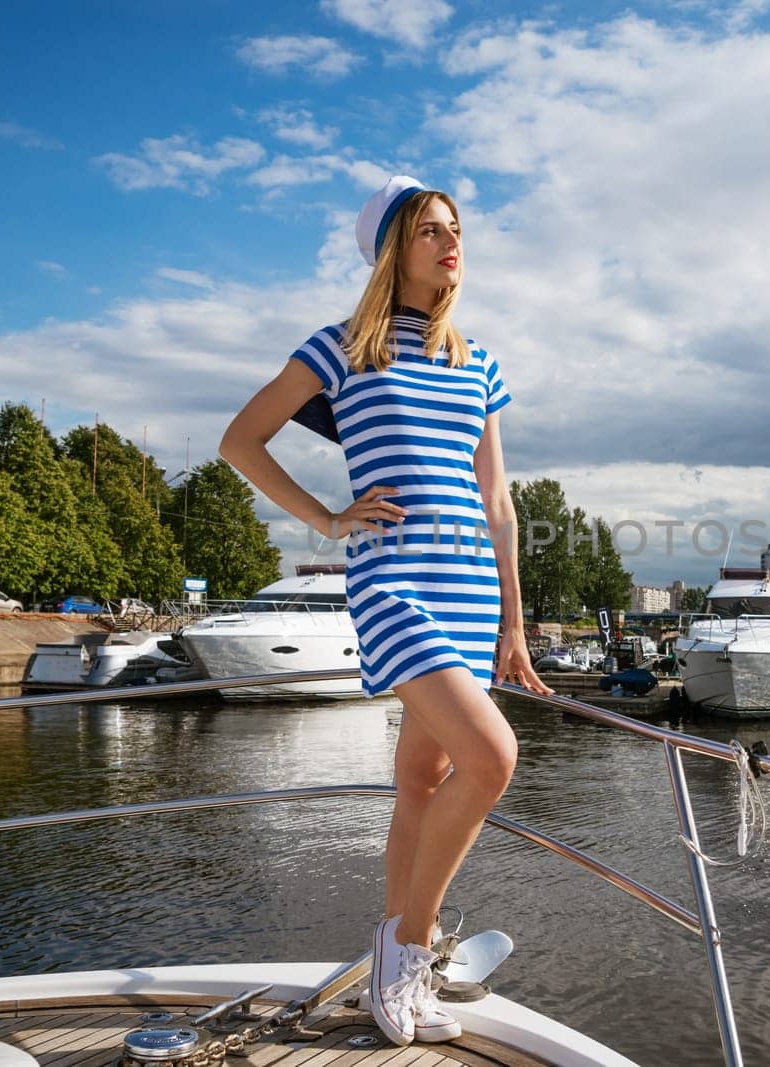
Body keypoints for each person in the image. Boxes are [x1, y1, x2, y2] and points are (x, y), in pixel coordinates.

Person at [218, 174, 553, 1048]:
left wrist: (515, 621)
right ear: (393, 249)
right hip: (392, 580)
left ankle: (389, 954)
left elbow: (499, 502)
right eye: (432, 231)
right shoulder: (341, 349)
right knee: (494, 757)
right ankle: (410, 952)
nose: (453, 246)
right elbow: (240, 439)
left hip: (471, 587)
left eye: (458, 231)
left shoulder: (474, 359)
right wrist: (327, 519)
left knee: (424, 780)